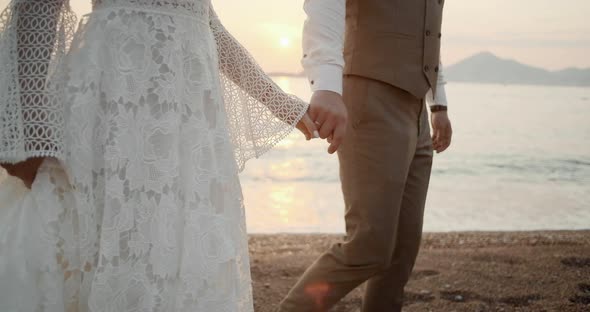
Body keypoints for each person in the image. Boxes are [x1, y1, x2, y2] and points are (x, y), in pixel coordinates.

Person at [0, 0, 346, 311]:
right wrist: (25, 132)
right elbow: (38, 7)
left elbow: (207, 23)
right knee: (101, 243)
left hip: (189, 121)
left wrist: (281, 103)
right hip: (114, 103)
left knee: (181, 243)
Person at [279, 0, 453, 311]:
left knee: (402, 250)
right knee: (368, 246)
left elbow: (428, 33)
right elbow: (324, 4)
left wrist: (438, 104)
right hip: (370, 97)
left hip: (416, 110)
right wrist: (327, 86)